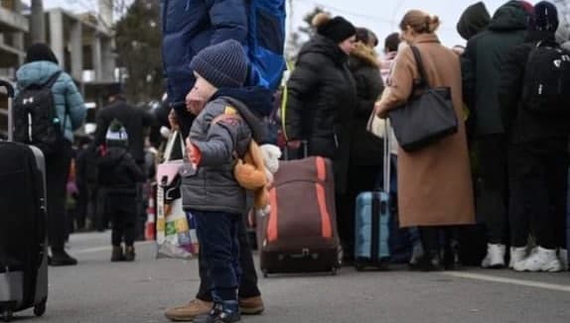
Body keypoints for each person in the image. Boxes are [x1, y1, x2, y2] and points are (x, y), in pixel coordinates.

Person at [163, 1, 285, 319]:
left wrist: (202, 87)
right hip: (203, 89)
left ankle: (214, 295)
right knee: (223, 201)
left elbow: (231, 30)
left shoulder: (216, 100)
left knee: (211, 205)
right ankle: (244, 291)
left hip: (210, 91)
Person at [374, 10, 475, 271]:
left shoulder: (409, 52)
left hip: (422, 131)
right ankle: (451, 251)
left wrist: (381, 108)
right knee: (450, 192)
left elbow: (399, 92)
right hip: (450, 129)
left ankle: (431, 254)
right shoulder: (450, 55)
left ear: (409, 29)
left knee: (424, 194)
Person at [180, 39, 265, 323]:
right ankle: (231, 301)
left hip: (213, 198)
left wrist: (199, 152)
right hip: (219, 197)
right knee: (228, 252)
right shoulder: (223, 108)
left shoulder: (221, 112)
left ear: (215, 81)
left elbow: (221, 146)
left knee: (218, 255)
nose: (194, 86)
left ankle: (226, 306)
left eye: (198, 80)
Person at [499, 1, 570, 272]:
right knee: (556, 191)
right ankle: (561, 250)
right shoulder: (562, 54)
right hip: (559, 135)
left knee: (534, 193)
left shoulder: (520, 53)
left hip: (526, 135)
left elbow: (505, 96)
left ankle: (546, 250)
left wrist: (509, 127)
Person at [461, 0, 532, 269]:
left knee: (492, 189)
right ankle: (518, 250)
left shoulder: (477, 42)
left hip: (487, 126)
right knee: (519, 187)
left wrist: (479, 108)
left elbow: (467, 82)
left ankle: (494, 250)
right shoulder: (528, 39)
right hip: (521, 126)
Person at [284, 13, 357, 258]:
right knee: (321, 193)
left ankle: (335, 244)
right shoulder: (315, 60)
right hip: (319, 137)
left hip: (336, 137)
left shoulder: (339, 63)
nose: (354, 45)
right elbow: (293, 93)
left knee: (336, 193)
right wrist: (292, 133)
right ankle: (319, 243)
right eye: (350, 40)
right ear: (337, 40)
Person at [15, 43, 87, 266]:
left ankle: (36, 252)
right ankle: (58, 251)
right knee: (55, 197)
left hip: (28, 147)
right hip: (58, 145)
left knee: (32, 197)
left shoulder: (20, 81)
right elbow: (79, 112)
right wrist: (65, 128)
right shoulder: (62, 78)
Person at [344, 27, 384, 262]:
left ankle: (356, 245)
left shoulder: (347, 66)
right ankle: (364, 246)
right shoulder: (364, 68)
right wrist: (377, 106)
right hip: (366, 141)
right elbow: (359, 103)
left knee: (351, 195)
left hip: (354, 142)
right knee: (362, 193)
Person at [97, 120, 146, 261]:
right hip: (128, 195)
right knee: (129, 223)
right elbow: (138, 175)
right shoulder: (127, 157)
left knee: (116, 225)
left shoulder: (104, 158)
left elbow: (100, 179)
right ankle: (129, 249)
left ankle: (116, 251)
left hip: (111, 195)